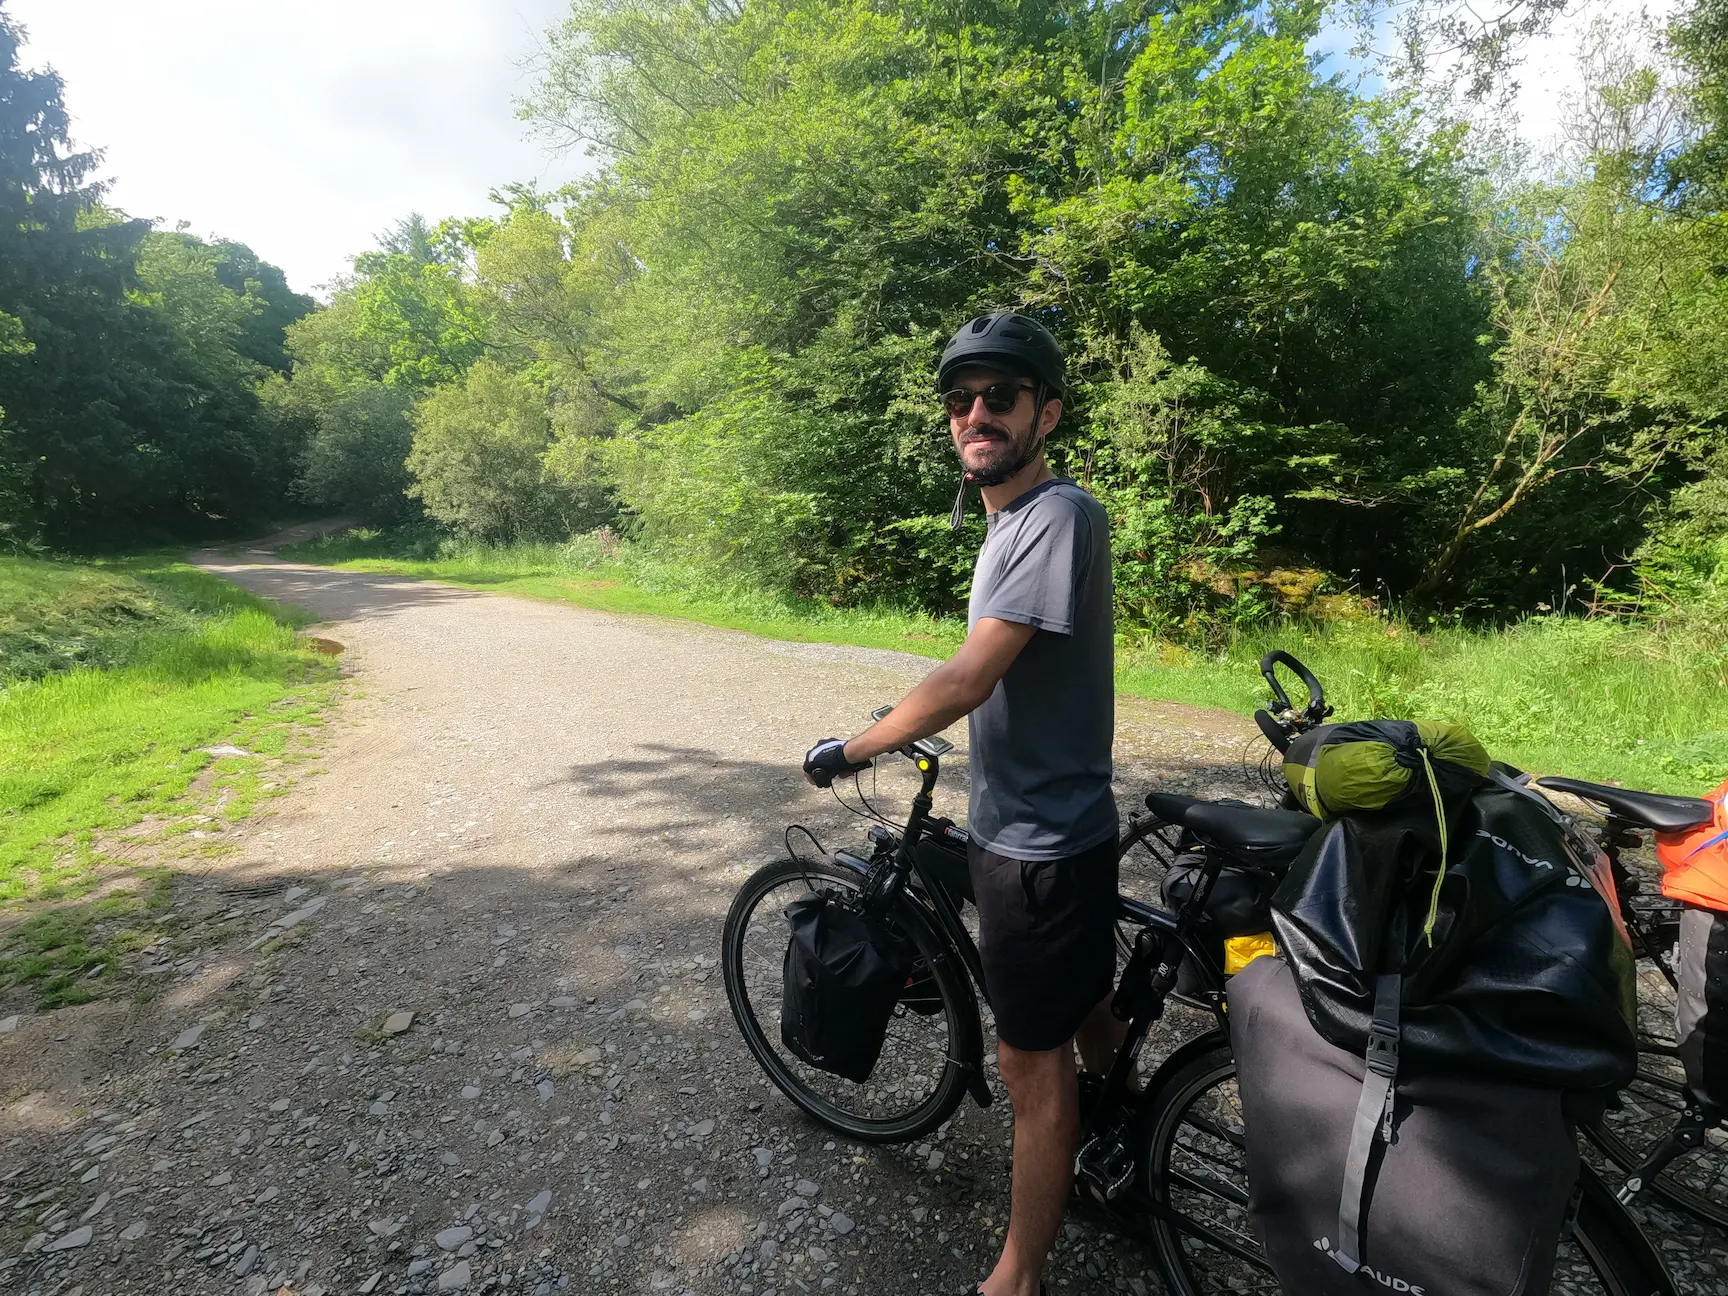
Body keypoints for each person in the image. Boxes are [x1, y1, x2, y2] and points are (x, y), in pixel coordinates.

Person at [802, 312, 1122, 1296]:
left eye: (1000, 397)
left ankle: (1017, 1276)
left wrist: (851, 746)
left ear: (1046, 413)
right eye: (960, 400)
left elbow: (973, 676)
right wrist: (917, 715)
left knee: (1031, 1066)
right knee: (1089, 999)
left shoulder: (1052, 516)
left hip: (1036, 848)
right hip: (1062, 827)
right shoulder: (1016, 522)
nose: (976, 413)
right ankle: (1122, 1126)